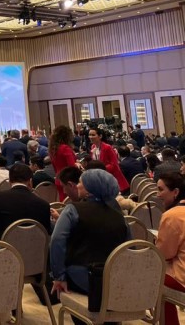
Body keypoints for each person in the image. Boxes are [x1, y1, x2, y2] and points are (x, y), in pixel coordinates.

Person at [50, 170, 130, 306]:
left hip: (82, 276)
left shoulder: (72, 209)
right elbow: (129, 248)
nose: (78, 185)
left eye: (81, 182)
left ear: (89, 188)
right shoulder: (120, 217)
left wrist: (59, 276)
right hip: (113, 279)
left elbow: (57, 241)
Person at [0, 162, 51, 241]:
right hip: (34, 247)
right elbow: (46, 235)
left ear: (10, 181)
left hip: (3, 247)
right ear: (30, 181)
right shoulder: (44, 205)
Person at [155, 172, 185, 325]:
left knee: (154, 275)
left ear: (176, 192)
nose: (157, 194)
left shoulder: (173, 215)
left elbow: (163, 255)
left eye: (161, 189)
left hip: (182, 277)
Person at [88, 127, 129, 194]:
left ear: (100, 136)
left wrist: (100, 169)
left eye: (93, 135)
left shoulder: (107, 147)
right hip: (100, 178)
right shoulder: (93, 147)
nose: (90, 137)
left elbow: (114, 165)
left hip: (112, 179)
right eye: (89, 135)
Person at [49, 125, 78, 201]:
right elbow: (72, 167)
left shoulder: (53, 149)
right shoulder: (65, 148)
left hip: (59, 179)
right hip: (68, 181)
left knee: (63, 201)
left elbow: (55, 167)